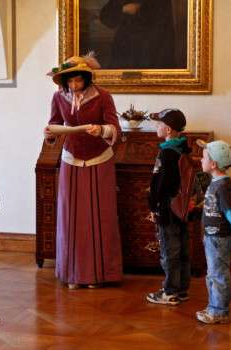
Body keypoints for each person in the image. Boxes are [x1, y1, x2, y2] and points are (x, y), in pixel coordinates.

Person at [45, 54, 123, 289]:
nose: (74, 86)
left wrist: (101, 130)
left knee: (101, 216)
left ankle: (99, 275)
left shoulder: (104, 97)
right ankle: (73, 274)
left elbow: (115, 129)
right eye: (70, 81)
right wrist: (50, 134)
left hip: (99, 160)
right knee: (72, 218)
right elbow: (54, 124)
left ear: (87, 79)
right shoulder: (58, 97)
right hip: (71, 160)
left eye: (79, 81)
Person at [195, 140, 231, 324]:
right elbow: (214, 205)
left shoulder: (224, 186)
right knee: (213, 273)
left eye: (204, 157)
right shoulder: (216, 183)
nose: (201, 161)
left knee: (218, 274)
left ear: (213, 164)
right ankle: (214, 306)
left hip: (219, 237)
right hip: (211, 236)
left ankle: (220, 310)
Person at [146, 109, 191, 305]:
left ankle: (170, 291)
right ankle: (181, 289)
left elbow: (162, 182)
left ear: (169, 129)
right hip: (181, 208)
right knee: (181, 249)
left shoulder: (167, 153)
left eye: (159, 124)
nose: (156, 127)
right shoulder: (183, 148)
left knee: (168, 250)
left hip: (167, 208)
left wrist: (153, 204)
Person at [100, 0, 176, 69]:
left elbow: (160, 23)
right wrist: (124, 9)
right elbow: (106, 17)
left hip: (150, 49)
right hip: (124, 48)